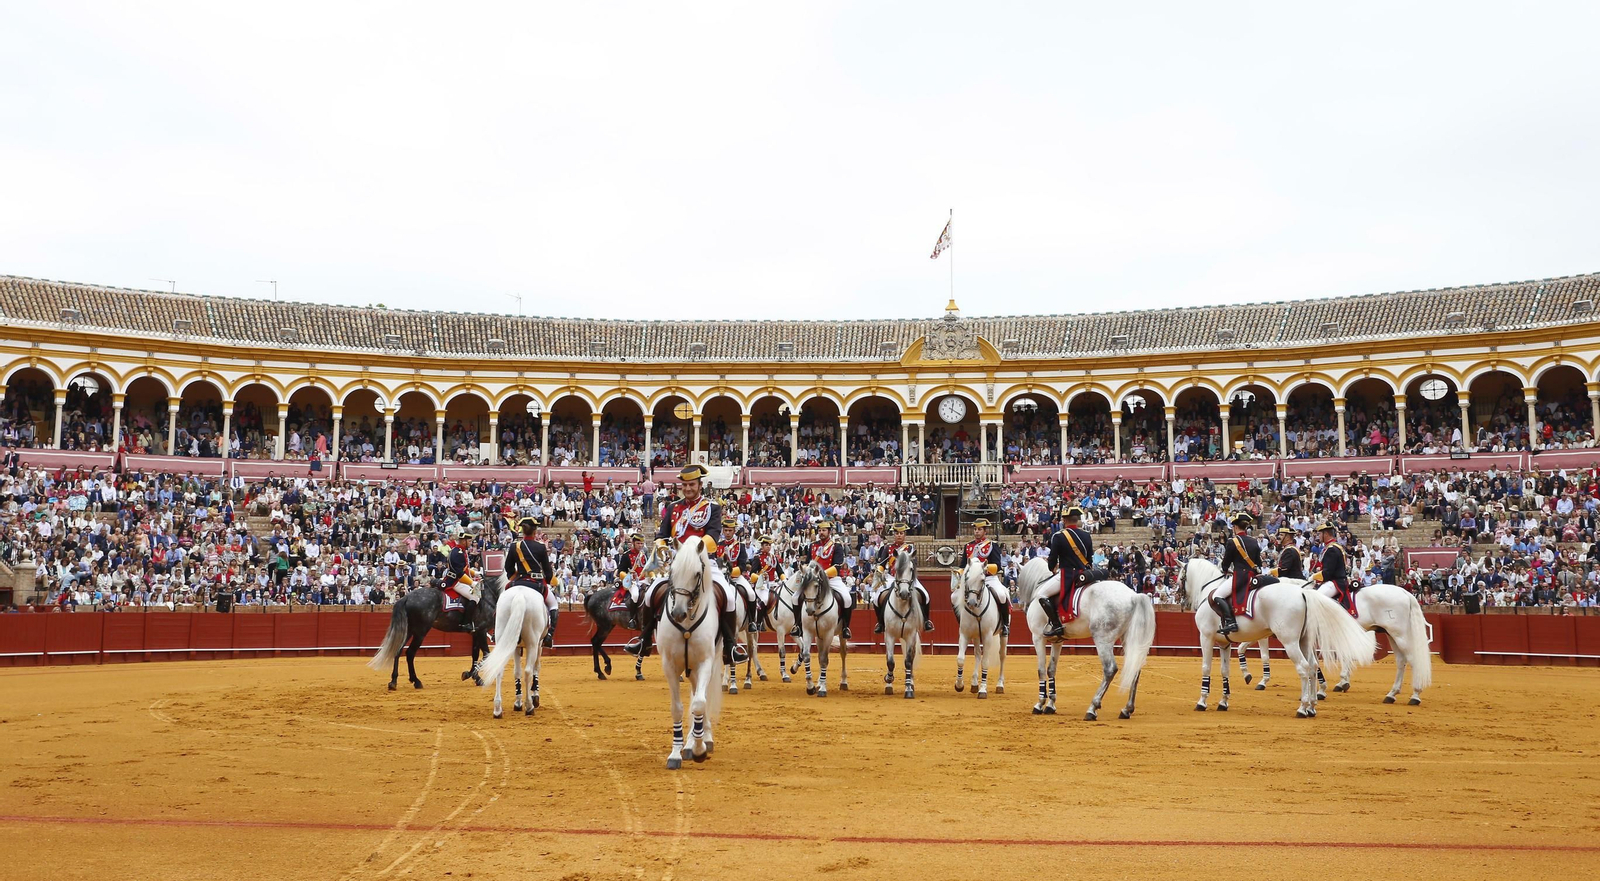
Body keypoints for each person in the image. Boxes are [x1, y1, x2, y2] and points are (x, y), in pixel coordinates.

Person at [627, 464, 746, 666]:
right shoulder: (673, 508)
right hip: (677, 564)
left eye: (692, 484)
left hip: (704, 563)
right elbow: (662, 535)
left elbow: (713, 536)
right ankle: (644, 640)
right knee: (649, 594)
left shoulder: (712, 508)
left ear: (700, 485)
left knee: (729, 597)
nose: (688, 488)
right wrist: (661, 546)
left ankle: (730, 646)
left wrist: (693, 549)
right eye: (685, 485)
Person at [791, 519, 854, 640]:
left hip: (831, 579)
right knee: (795, 598)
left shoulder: (836, 546)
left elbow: (837, 565)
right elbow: (809, 563)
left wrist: (823, 574)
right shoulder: (813, 546)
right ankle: (797, 625)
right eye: (819, 530)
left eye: (824, 530)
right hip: (814, 580)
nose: (821, 532)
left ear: (829, 532)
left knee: (847, 599)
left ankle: (845, 627)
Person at [504, 516, 561, 647]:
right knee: (553, 605)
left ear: (523, 531)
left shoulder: (514, 546)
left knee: (502, 600)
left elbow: (508, 567)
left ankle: (498, 631)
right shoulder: (540, 547)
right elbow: (547, 570)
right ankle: (549, 635)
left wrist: (515, 578)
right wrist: (548, 580)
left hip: (518, 581)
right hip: (537, 582)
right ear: (535, 531)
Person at [1039, 506, 1096, 637]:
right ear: (1078, 520)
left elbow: (1052, 561)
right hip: (1084, 574)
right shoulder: (1087, 535)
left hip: (1068, 574)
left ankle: (1056, 625)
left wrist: (1052, 567)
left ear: (1064, 521)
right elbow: (1089, 558)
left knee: (1041, 595)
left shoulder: (1058, 536)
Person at [871, 523, 935, 634]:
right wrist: (879, 571)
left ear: (905, 534)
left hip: (908, 577)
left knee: (926, 595)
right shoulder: (888, 548)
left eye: (901, 533)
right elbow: (882, 563)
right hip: (891, 577)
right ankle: (880, 623)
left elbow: (914, 563)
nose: (899, 535)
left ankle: (926, 621)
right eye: (896, 533)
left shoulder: (910, 548)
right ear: (893, 535)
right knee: (876, 598)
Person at [1213, 512, 1267, 636]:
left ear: (1235, 527)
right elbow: (1257, 562)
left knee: (1217, 595)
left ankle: (1231, 621)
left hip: (1240, 577)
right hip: (1252, 577)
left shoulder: (1233, 541)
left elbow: (1226, 563)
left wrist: (1225, 569)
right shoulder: (1254, 542)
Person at [961, 518, 1011, 637]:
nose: (976, 532)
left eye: (979, 529)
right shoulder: (968, 546)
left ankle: (1005, 624)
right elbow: (963, 565)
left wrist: (981, 569)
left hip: (989, 578)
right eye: (975, 529)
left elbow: (998, 565)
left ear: (985, 531)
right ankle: (962, 623)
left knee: (1002, 595)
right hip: (972, 582)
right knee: (954, 597)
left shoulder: (992, 545)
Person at [715, 517, 760, 632]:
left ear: (734, 531)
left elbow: (743, 565)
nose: (728, 533)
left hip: (735, 577)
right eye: (726, 530)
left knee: (751, 594)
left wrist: (730, 572)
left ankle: (751, 621)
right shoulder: (717, 545)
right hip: (720, 578)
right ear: (723, 531)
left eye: (730, 530)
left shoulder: (740, 546)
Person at [439, 524, 481, 632]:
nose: (471, 543)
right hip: (455, 581)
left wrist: (475, 573)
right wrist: (472, 583)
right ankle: (466, 623)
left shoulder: (460, 551)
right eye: (469, 541)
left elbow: (464, 569)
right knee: (475, 598)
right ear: (464, 541)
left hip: (459, 578)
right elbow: (459, 573)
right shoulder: (458, 552)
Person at [1312, 521, 1357, 616]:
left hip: (1336, 582)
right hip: (1333, 580)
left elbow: (1327, 572)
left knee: (1316, 598)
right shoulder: (1330, 547)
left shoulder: (1332, 549)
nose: (1318, 536)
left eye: (1320, 533)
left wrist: (1314, 577)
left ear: (1326, 534)